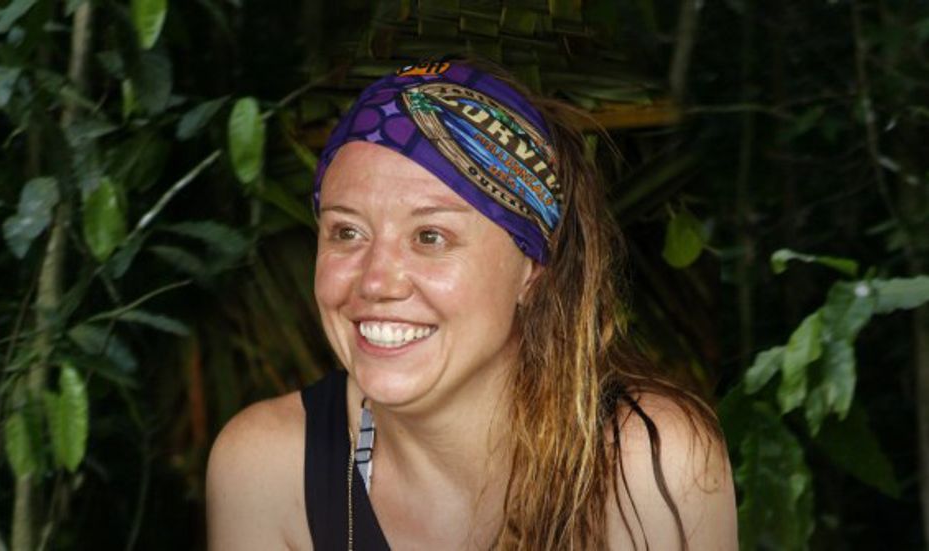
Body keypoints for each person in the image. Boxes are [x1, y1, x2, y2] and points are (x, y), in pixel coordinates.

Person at [206, 56, 738, 550]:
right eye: (347, 232)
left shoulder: (648, 465)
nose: (376, 282)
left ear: (532, 269)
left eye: (430, 237)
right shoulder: (266, 469)